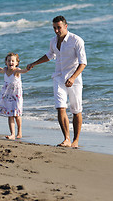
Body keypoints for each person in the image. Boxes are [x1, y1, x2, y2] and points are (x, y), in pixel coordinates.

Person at [27, 16, 87, 148]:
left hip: (74, 79)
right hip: (58, 77)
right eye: (54, 28)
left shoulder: (76, 40)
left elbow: (83, 63)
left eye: (59, 27)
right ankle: (66, 138)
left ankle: (75, 140)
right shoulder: (53, 41)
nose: (56, 31)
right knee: (60, 107)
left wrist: (72, 78)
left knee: (76, 110)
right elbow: (50, 55)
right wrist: (34, 63)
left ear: (66, 26)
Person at [0, 53, 29, 140]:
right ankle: (12, 134)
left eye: (13, 61)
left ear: (16, 63)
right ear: (6, 62)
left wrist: (27, 69)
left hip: (16, 96)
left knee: (17, 115)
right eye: (9, 60)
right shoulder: (5, 70)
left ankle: (19, 132)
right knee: (10, 114)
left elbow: (23, 71)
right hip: (7, 96)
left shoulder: (16, 71)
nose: (11, 62)